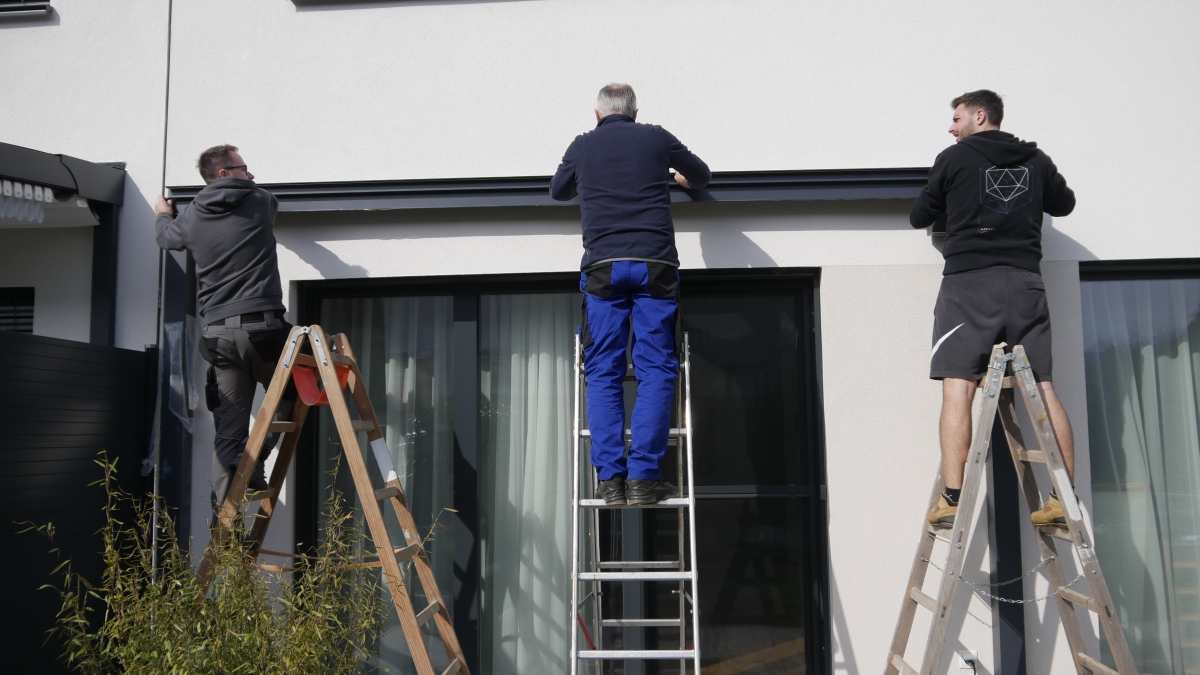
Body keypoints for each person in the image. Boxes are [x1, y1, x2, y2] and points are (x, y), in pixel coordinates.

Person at [910, 90, 1077, 528]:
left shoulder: (954, 159)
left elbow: (919, 215)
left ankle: (952, 500)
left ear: (980, 115)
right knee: (1043, 385)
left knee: (958, 385)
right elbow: (1064, 204)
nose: (951, 127)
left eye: (956, 118)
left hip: (968, 285)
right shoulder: (1036, 159)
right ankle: (1064, 500)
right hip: (1025, 283)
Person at [551, 83, 711, 505]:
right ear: (635, 113)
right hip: (655, 265)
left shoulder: (583, 145)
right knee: (656, 368)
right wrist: (674, 177)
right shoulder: (656, 138)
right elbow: (702, 175)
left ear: (597, 114)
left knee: (603, 371)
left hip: (603, 267)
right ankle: (642, 479)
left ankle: (610, 481)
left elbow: (558, 190)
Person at [154, 145, 294, 505]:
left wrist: (163, 214)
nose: (251, 174)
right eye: (244, 167)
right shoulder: (260, 200)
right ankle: (256, 459)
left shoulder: (190, 218)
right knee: (296, 391)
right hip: (262, 330)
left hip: (218, 337)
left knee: (228, 431)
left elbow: (166, 238)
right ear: (224, 173)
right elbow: (269, 205)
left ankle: (224, 513)